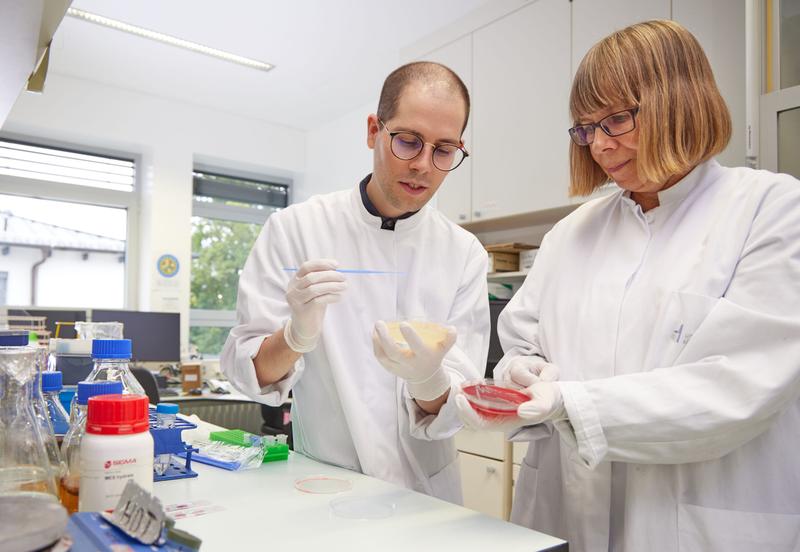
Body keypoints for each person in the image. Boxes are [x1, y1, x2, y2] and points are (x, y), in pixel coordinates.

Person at [456, 19, 800, 551]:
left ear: (680, 102)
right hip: (562, 514)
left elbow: (740, 386)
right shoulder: (572, 232)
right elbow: (520, 342)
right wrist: (521, 370)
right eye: (586, 127)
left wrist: (570, 403)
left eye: (615, 120)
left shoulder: (770, 209)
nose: (598, 145)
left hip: (693, 526)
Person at [222, 61, 489, 504]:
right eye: (407, 141)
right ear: (373, 131)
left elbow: (453, 407)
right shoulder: (295, 229)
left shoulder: (464, 254)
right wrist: (295, 336)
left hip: (426, 495)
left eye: (444, 150)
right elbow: (247, 371)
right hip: (324, 486)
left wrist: (428, 380)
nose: (423, 165)